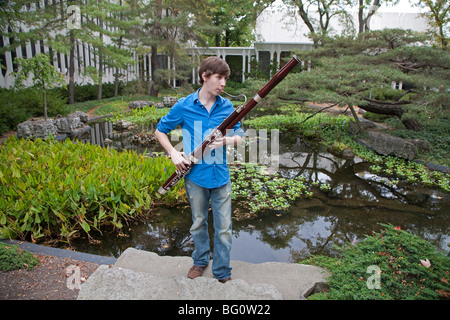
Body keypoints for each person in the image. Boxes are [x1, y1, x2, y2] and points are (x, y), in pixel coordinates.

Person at [155, 56, 244, 283]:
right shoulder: (184, 105)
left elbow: (240, 137)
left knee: (224, 228)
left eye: (225, 78)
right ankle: (200, 260)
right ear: (204, 76)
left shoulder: (227, 106)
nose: (223, 83)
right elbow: (160, 131)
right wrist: (173, 153)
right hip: (194, 176)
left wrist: (226, 141)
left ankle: (222, 270)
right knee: (198, 223)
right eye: (219, 77)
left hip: (221, 175)